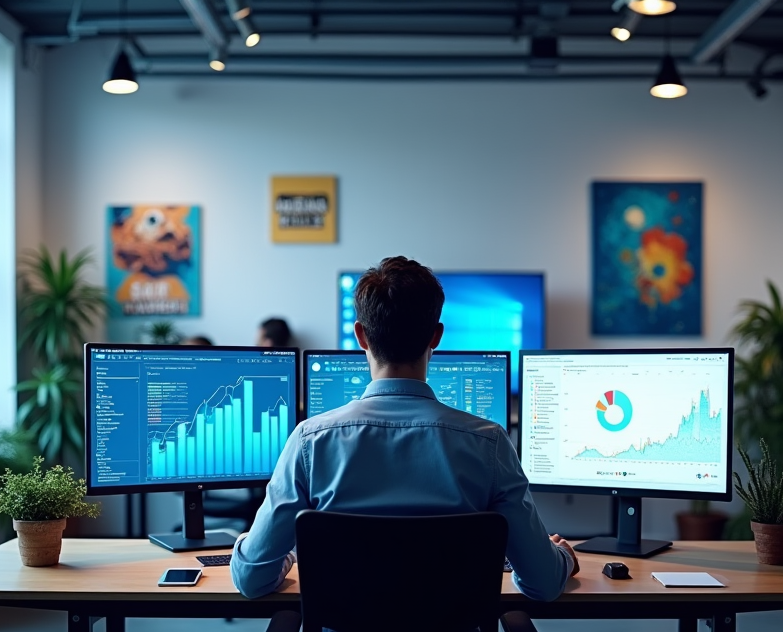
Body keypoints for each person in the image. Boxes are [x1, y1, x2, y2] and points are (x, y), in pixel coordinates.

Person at [232, 256, 577, 600]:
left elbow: (252, 579)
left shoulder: (309, 443)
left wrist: (286, 555)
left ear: (361, 336)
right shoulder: (489, 444)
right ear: (436, 336)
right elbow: (542, 584)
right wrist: (563, 556)